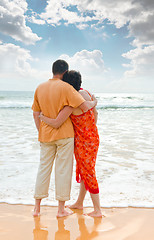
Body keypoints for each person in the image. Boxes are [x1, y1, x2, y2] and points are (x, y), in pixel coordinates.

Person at [32, 60, 97, 218]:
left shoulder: (39, 88)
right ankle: (61, 210)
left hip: (46, 135)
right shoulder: (67, 88)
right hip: (65, 135)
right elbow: (84, 106)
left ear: (52, 70)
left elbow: (35, 113)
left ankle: (37, 209)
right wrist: (95, 101)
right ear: (65, 72)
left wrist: (41, 131)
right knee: (63, 171)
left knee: (43, 170)